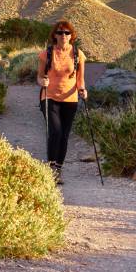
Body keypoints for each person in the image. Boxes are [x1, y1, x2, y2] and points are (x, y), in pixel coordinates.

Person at [36, 20, 87, 184]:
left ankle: (58, 169)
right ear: (55, 35)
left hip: (70, 99)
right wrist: (42, 81)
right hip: (49, 97)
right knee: (55, 131)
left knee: (64, 135)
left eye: (67, 32)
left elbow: (80, 79)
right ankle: (50, 169)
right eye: (60, 32)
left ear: (71, 36)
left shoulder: (78, 54)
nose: (63, 35)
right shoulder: (46, 54)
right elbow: (39, 77)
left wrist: (82, 90)